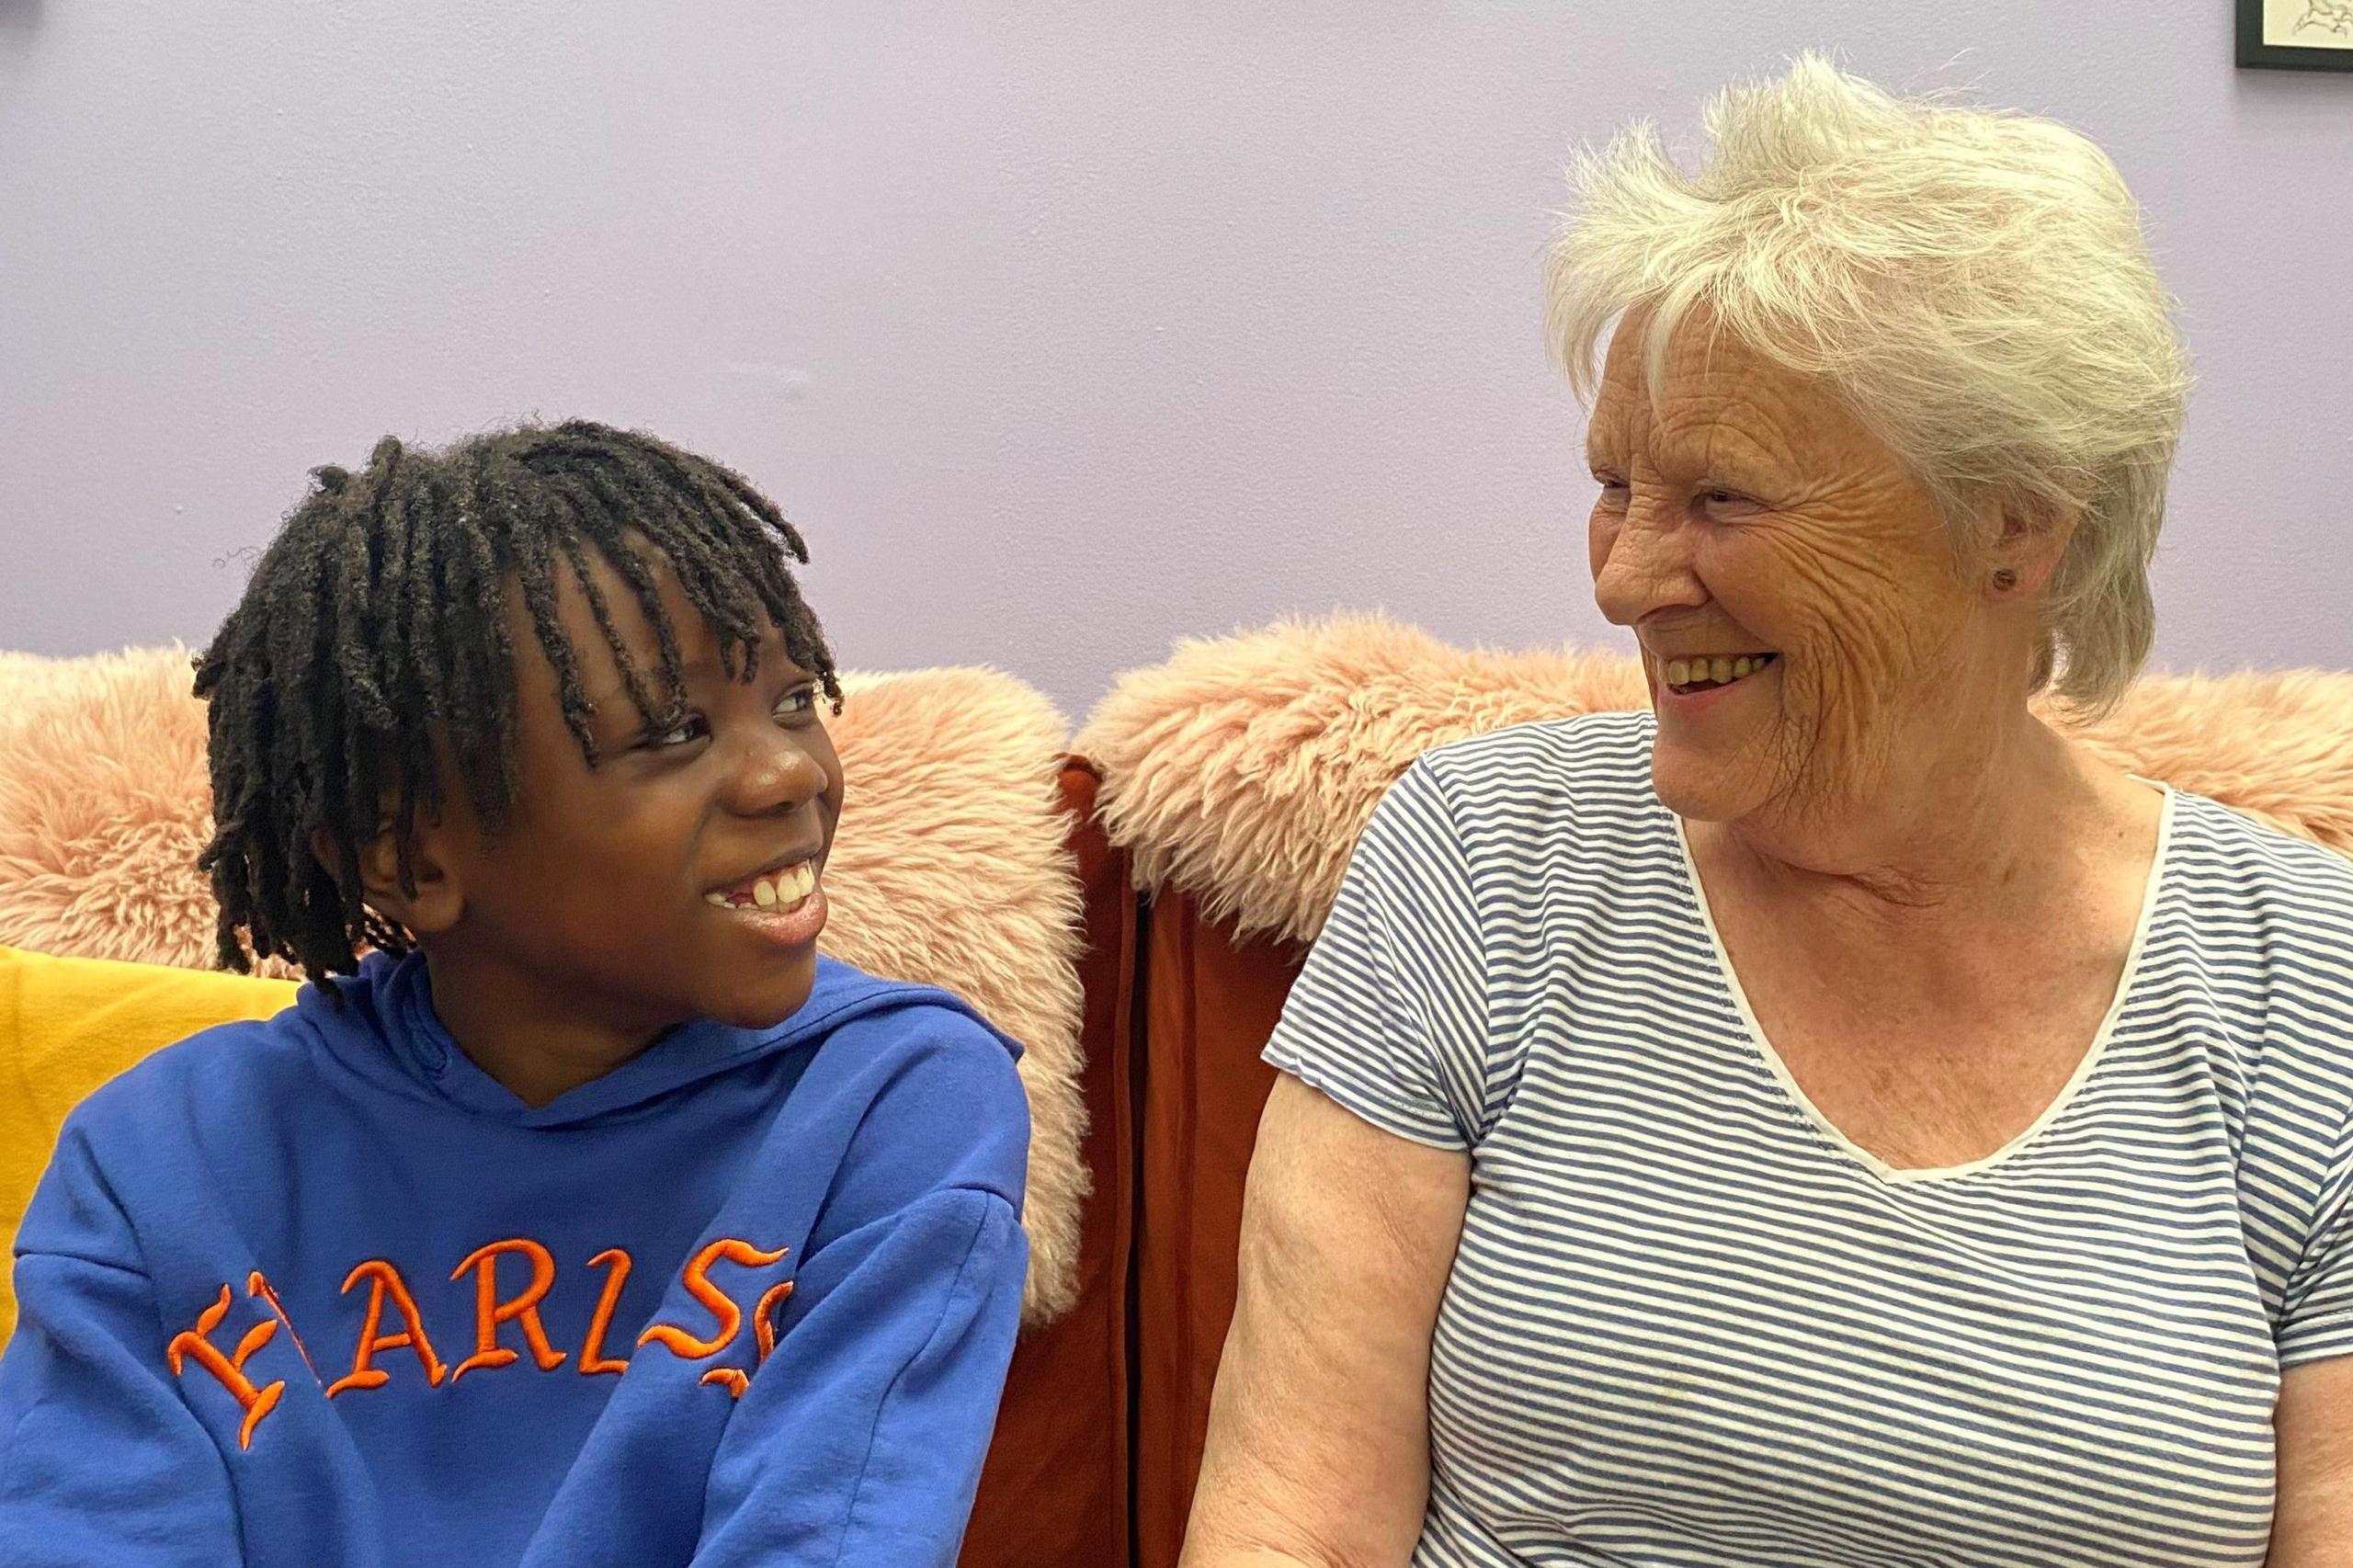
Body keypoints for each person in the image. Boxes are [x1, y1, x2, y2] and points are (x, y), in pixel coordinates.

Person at [1183, 57, 2353, 1568]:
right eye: (1616, 485)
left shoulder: (2307, 983)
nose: (1621, 578)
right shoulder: (1480, 862)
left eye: (1722, 499)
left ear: (2011, 526)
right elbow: (1294, 1526)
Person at [0, 423, 1031, 1566]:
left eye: (792, 699)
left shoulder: (893, 1100)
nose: (792, 769)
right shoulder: (156, 1165)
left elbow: (833, 1536)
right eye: (676, 729)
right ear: (408, 859)